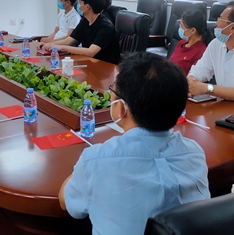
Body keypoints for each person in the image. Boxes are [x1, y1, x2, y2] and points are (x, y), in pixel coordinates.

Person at [59, 52, 209, 235]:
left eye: (113, 92)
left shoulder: (96, 160)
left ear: (121, 107)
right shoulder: (194, 153)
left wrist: (83, 168)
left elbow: (66, 202)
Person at [40, 0, 121, 64]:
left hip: (106, 66)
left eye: (80, 2)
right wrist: (50, 44)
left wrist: (62, 47)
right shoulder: (84, 21)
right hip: (90, 62)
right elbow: (68, 41)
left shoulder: (106, 26)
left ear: (87, 7)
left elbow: (91, 52)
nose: (78, 5)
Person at [169, 10, 213, 75]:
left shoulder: (201, 52)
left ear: (193, 30)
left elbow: (194, 77)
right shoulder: (181, 43)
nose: (180, 28)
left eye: (182, 26)